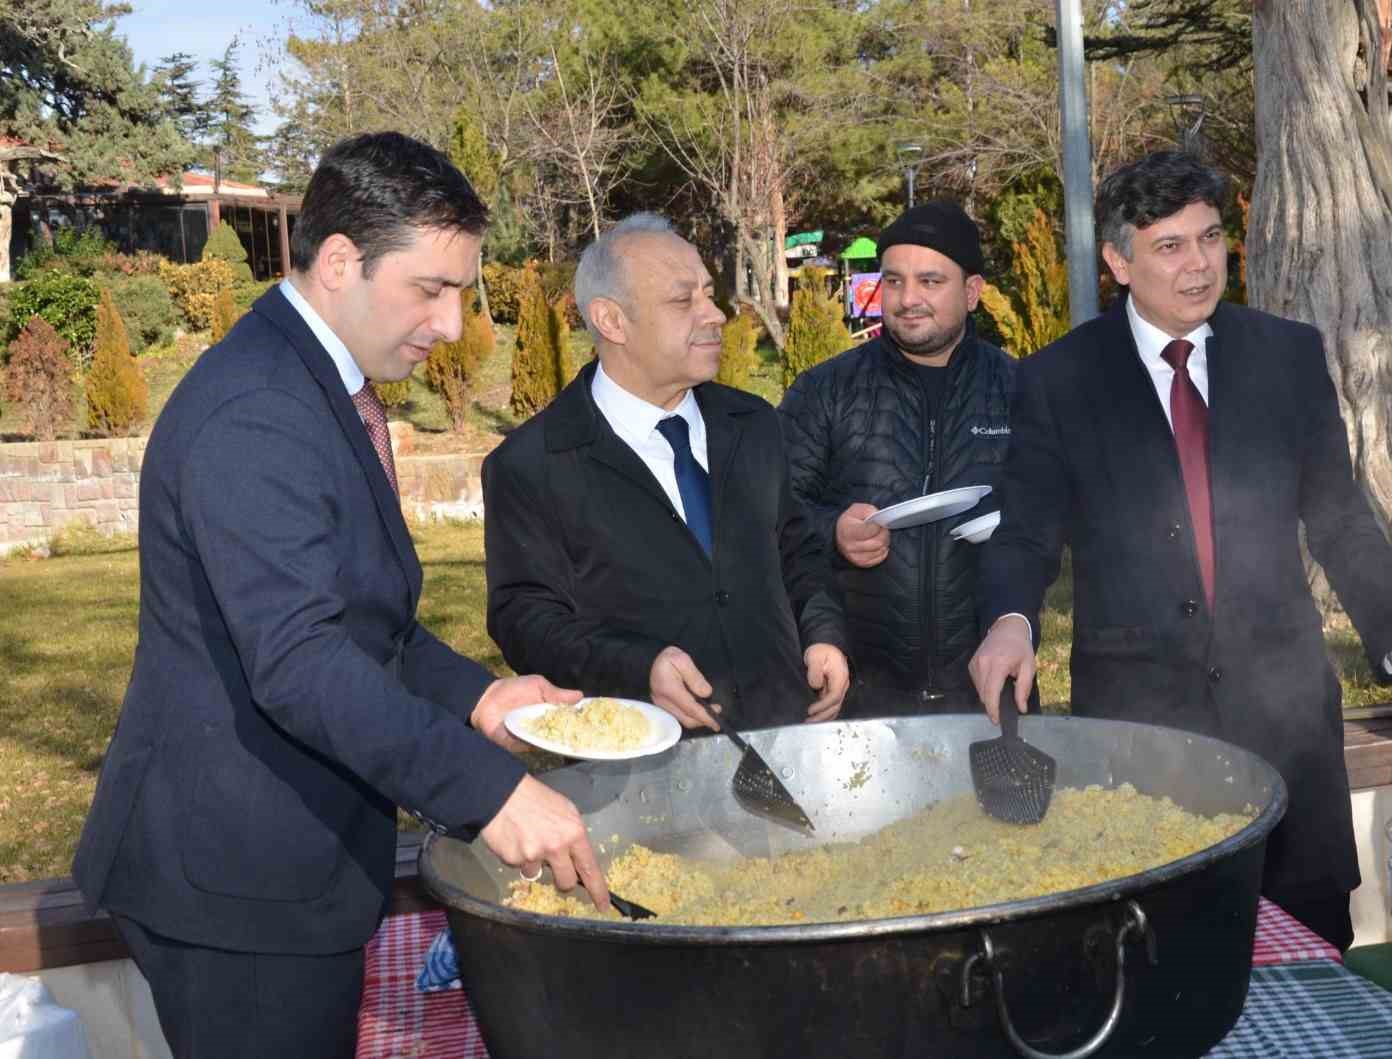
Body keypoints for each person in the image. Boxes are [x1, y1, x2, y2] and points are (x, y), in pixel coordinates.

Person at [71, 132, 608, 1058]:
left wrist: (481, 697)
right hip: (237, 889)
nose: (449, 326)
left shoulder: (315, 382)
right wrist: (493, 792)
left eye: (461, 294)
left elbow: (366, 624)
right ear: (339, 261)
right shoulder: (259, 410)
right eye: (431, 290)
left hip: (281, 867)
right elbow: (301, 663)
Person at [967, 150, 1392, 951]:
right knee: (1165, 967)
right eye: (1169, 246)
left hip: (1288, 728)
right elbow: (1024, 528)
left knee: (1310, 970)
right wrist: (1011, 619)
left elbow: (1339, 516)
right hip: (1142, 734)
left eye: (1210, 237)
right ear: (1120, 261)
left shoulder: (1289, 356)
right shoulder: (1059, 379)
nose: (1198, 264)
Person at [483, 213, 849, 733]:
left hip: (785, 736)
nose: (716, 315)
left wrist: (823, 633)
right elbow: (525, 620)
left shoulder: (755, 425)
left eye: (708, 294)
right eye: (684, 301)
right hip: (642, 765)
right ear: (612, 321)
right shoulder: (531, 464)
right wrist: (636, 667)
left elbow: (798, 550)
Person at [779, 201, 1015, 715]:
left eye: (931, 281)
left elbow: (1051, 517)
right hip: (858, 693)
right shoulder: (825, 390)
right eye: (893, 281)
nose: (908, 299)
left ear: (971, 292)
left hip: (990, 690)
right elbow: (771, 513)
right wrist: (832, 530)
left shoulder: (1019, 390)